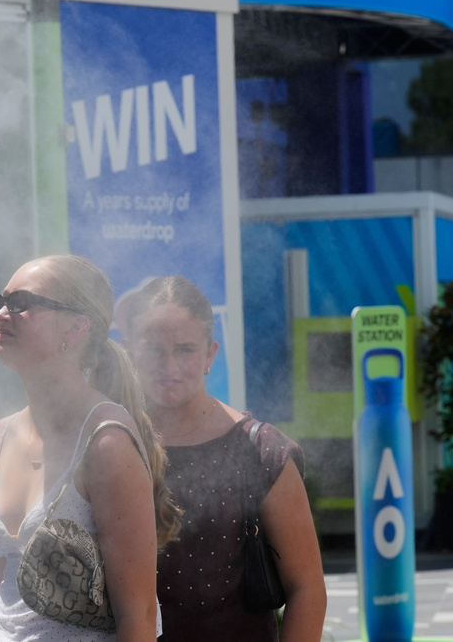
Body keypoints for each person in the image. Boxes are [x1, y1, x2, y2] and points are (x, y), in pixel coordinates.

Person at [0, 255, 180, 642]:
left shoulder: (106, 442)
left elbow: (137, 618)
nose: (1, 314)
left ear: (78, 325)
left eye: (20, 303)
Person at [115, 275, 326, 642]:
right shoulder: (108, 443)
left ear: (210, 353)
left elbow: (307, 590)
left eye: (184, 349)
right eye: (152, 349)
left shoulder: (261, 450)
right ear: (129, 350)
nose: (168, 365)